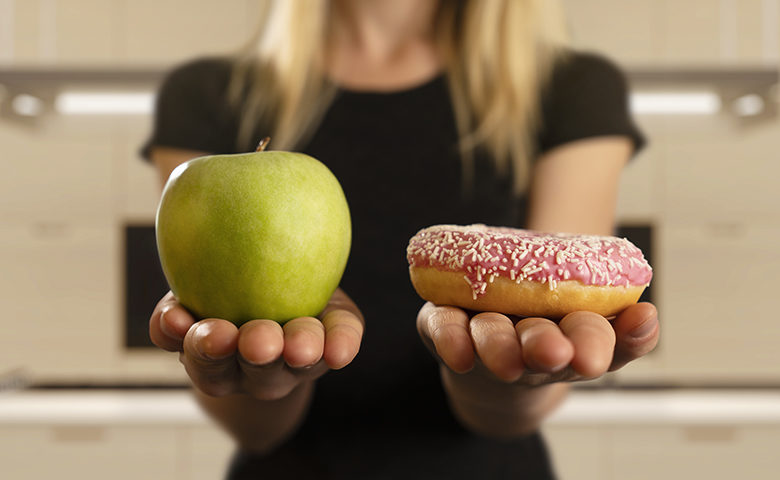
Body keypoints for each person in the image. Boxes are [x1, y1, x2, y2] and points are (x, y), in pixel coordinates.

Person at [143, 1, 660, 478]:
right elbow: (250, 425)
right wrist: (266, 378)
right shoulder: (207, 94)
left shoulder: (571, 87)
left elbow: (553, 325)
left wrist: (497, 380)